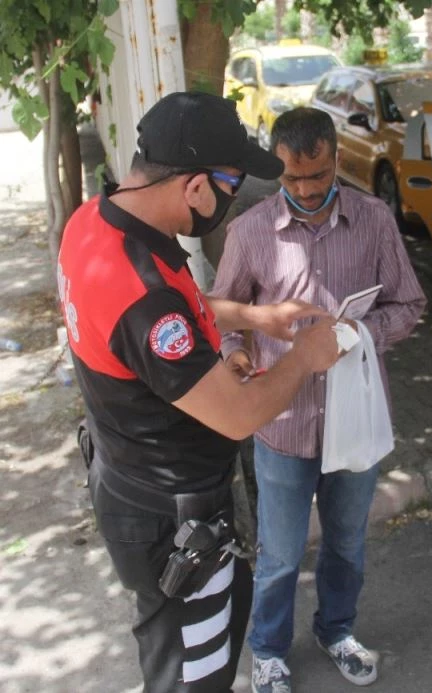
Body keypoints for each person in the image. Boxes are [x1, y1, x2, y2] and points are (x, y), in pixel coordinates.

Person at [57, 91, 341, 693]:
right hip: (174, 519)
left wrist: (253, 318)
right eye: (233, 184)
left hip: (129, 484)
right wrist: (305, 360)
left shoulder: (95, 222)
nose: (237, 199)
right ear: (193, 187)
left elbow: (175, 316)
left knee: (168, 649)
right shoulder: (145, 294)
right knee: (195, 673)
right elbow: (240, 416)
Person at [209, 107, 426, 692]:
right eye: (292, 179)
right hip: (282, 424)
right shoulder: (250, 231)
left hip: (354, 420)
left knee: (347, 544)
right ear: (276, 168)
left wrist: (359, 335)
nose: (306, 190)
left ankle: (336, 630)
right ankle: (269, 650)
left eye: (319, 176)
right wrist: (236, 353)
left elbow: (408, 305)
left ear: (335, 160)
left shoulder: (376, 220)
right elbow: (223, 312)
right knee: (278, 553)